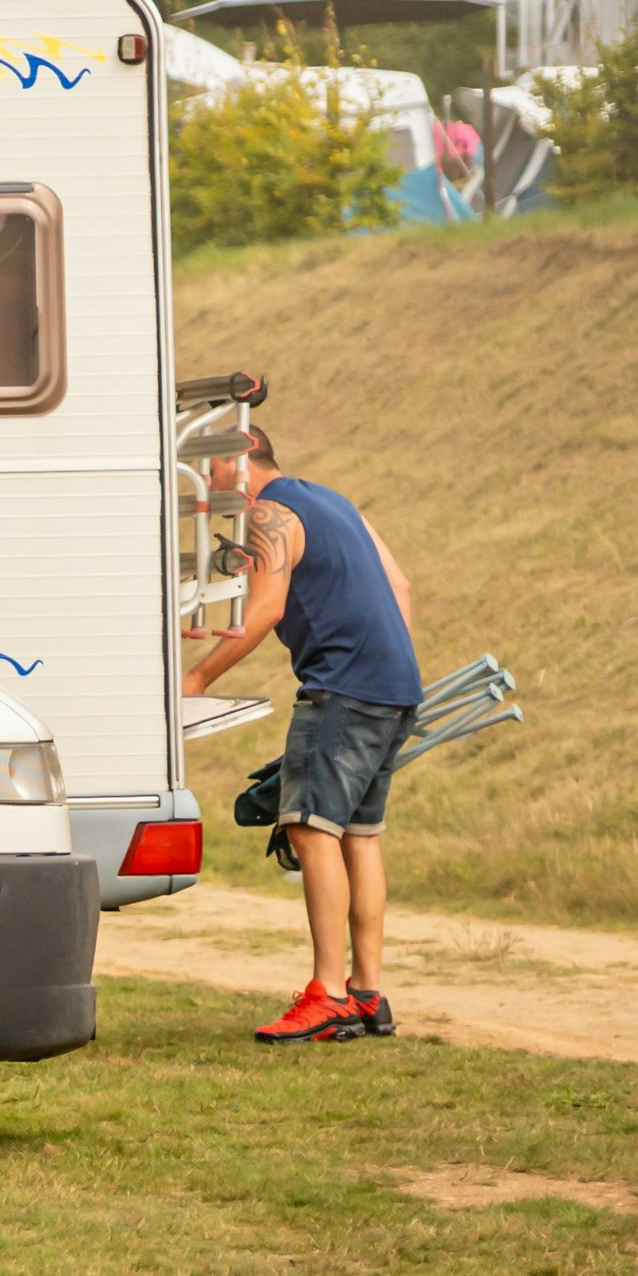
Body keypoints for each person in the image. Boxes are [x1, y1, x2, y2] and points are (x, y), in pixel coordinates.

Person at [184, 422, 419, 1044]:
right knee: (360, 838)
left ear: (239, 459)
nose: (208, 484)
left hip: (341, 689)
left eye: (209, 470)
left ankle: (328, 994)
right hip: (394, 686)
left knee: (310, 830)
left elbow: (266, 608)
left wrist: (197, 679)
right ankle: (368, 995)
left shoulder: (271, 514)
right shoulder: (334, 500)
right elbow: (401, 586)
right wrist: (389, 664)